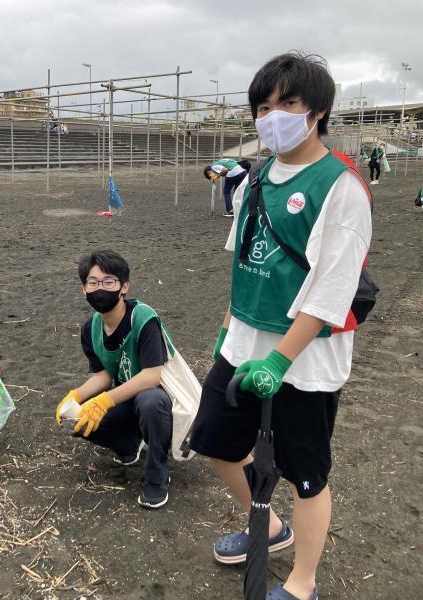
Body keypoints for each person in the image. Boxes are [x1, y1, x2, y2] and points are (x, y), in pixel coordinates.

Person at [189, 52, 372, 600]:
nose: (274, 117)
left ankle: (302, 582)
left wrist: (279, 360)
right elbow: (243, 265)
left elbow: (331, 294)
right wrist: (227, 335)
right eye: (263, 107)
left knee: (306, 474)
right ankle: (266, 527)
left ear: (316, 110)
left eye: (287, 103)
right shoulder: (256, 178)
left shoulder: (340, 186)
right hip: (244, 344)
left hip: (306, 362)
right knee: (218, 441)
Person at [55, 250, 173, 509]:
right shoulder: (90, 328)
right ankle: (129, 445)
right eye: (93, 282)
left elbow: (153, 375)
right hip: (125, 396)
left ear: (124, 287)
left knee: (150, 400)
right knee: (76, 418)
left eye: (109, 282)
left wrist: (104, 401)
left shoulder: (142, 318)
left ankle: (157, 475)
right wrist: (76, 396)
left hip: (160, 399)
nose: (100, 289)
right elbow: (104, 375)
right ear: (83, 290)